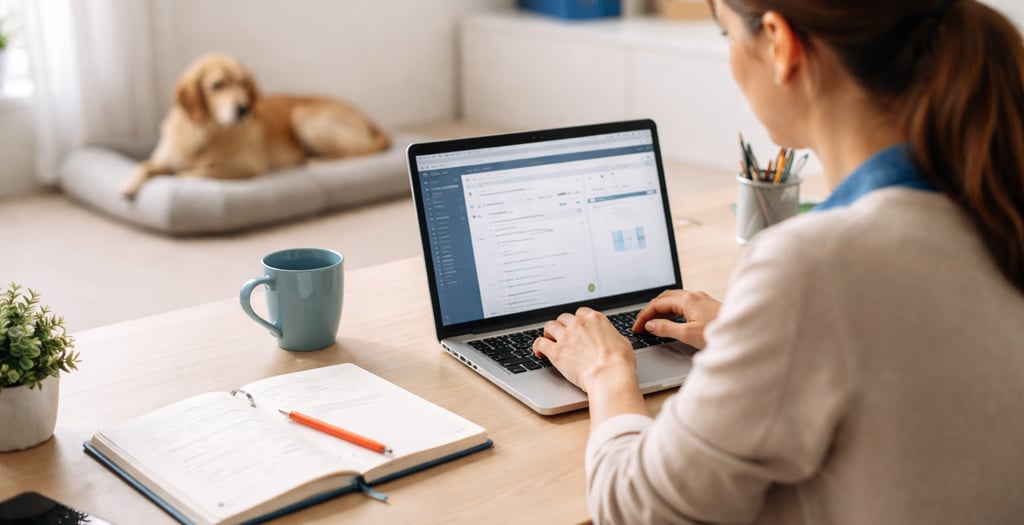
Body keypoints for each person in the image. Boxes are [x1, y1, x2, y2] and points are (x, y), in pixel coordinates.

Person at [532, 0, 1024, 523]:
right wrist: (749, 335)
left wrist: (607, 371)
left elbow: (637, 509)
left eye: (726, 36)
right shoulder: (995, 198)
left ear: (779, 42)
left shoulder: (817, 265)